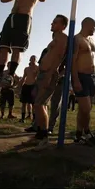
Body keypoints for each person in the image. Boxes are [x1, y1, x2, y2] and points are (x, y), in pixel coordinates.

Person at [0, 0, 46, 82]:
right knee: (3, 47)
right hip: (12, 18)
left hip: (24, 19)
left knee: (17, 48)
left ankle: (10, 74)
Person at [31, 15, 68, 150]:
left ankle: (44, 138)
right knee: (40, 105)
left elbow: (58, 57)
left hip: (49, 74)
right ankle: (39, 136)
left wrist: (50, 74)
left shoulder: (62, 37)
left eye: (55, 22)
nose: (52, 23)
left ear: (63, 26)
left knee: (40, 104)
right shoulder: (55, 38)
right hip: (44, 73)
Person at [72, 17, 95, 146]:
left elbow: (94, 59)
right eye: (94, 26)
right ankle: (87, 132)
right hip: (81, 76)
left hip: (92, 77)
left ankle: (78, 134)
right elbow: (72, 61)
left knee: (83, 109)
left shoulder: (91, 40)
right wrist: (75, 79)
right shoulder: (77, 39)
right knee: (86, 108)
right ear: (87, 25)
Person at [19, 55, 38, 122]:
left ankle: (34, 119)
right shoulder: (26, 68)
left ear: (36, 60)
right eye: (31, 58)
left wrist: (36, 87)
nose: (32, 59)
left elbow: (38, 79)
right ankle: (22, 118)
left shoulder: (38, 68)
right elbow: (24, 77)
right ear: (30, 59)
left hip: (33, 86)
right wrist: (20, 85)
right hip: (26, 86)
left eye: (34, 58)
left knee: (33, 104)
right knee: (24, 103)